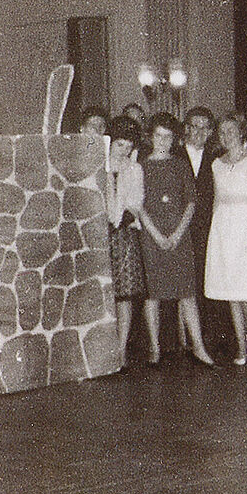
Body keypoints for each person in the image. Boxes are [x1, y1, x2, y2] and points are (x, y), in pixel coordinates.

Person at [138, 113, 215, 367]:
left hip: (180, 235)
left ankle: (199, 347)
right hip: (152, 236)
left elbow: (191, 201)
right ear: (151, 137)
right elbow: (139, 206)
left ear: (174, 138)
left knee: (187, 293)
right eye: (159, 135)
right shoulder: (141, 166)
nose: (163, 140)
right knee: (153, 294)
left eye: (168, 136)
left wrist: (178, 233)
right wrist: (158, 236)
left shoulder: (180, 164)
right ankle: (155, 347)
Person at [205, 112, 247, 365]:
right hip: (224, 228)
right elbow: (216, 200)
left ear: (241, 132)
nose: (226, 136)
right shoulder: (216, 163)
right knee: (232, 291)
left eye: (231, 131)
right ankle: (241, 345)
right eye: (222, 132)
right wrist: (215, 234)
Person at [181, 106, 230, 357]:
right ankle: (180, 342)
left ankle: (208, 339)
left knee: (206, 284)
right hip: (179, 230)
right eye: (194, 126)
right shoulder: (175, 154)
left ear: (211, 131)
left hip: (208, 231)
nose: (199, 132)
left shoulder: (217, 159)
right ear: (186, 128)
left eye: (205, 127)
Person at [104, 116, 146, 368]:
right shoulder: (100, 165)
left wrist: (124, 218)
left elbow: (137, 200)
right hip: (102, 233)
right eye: (120, 145)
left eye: (129, 146)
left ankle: (121, 348)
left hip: (125, 234)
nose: (125, 150)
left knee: (125, 294)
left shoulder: (135, 168)